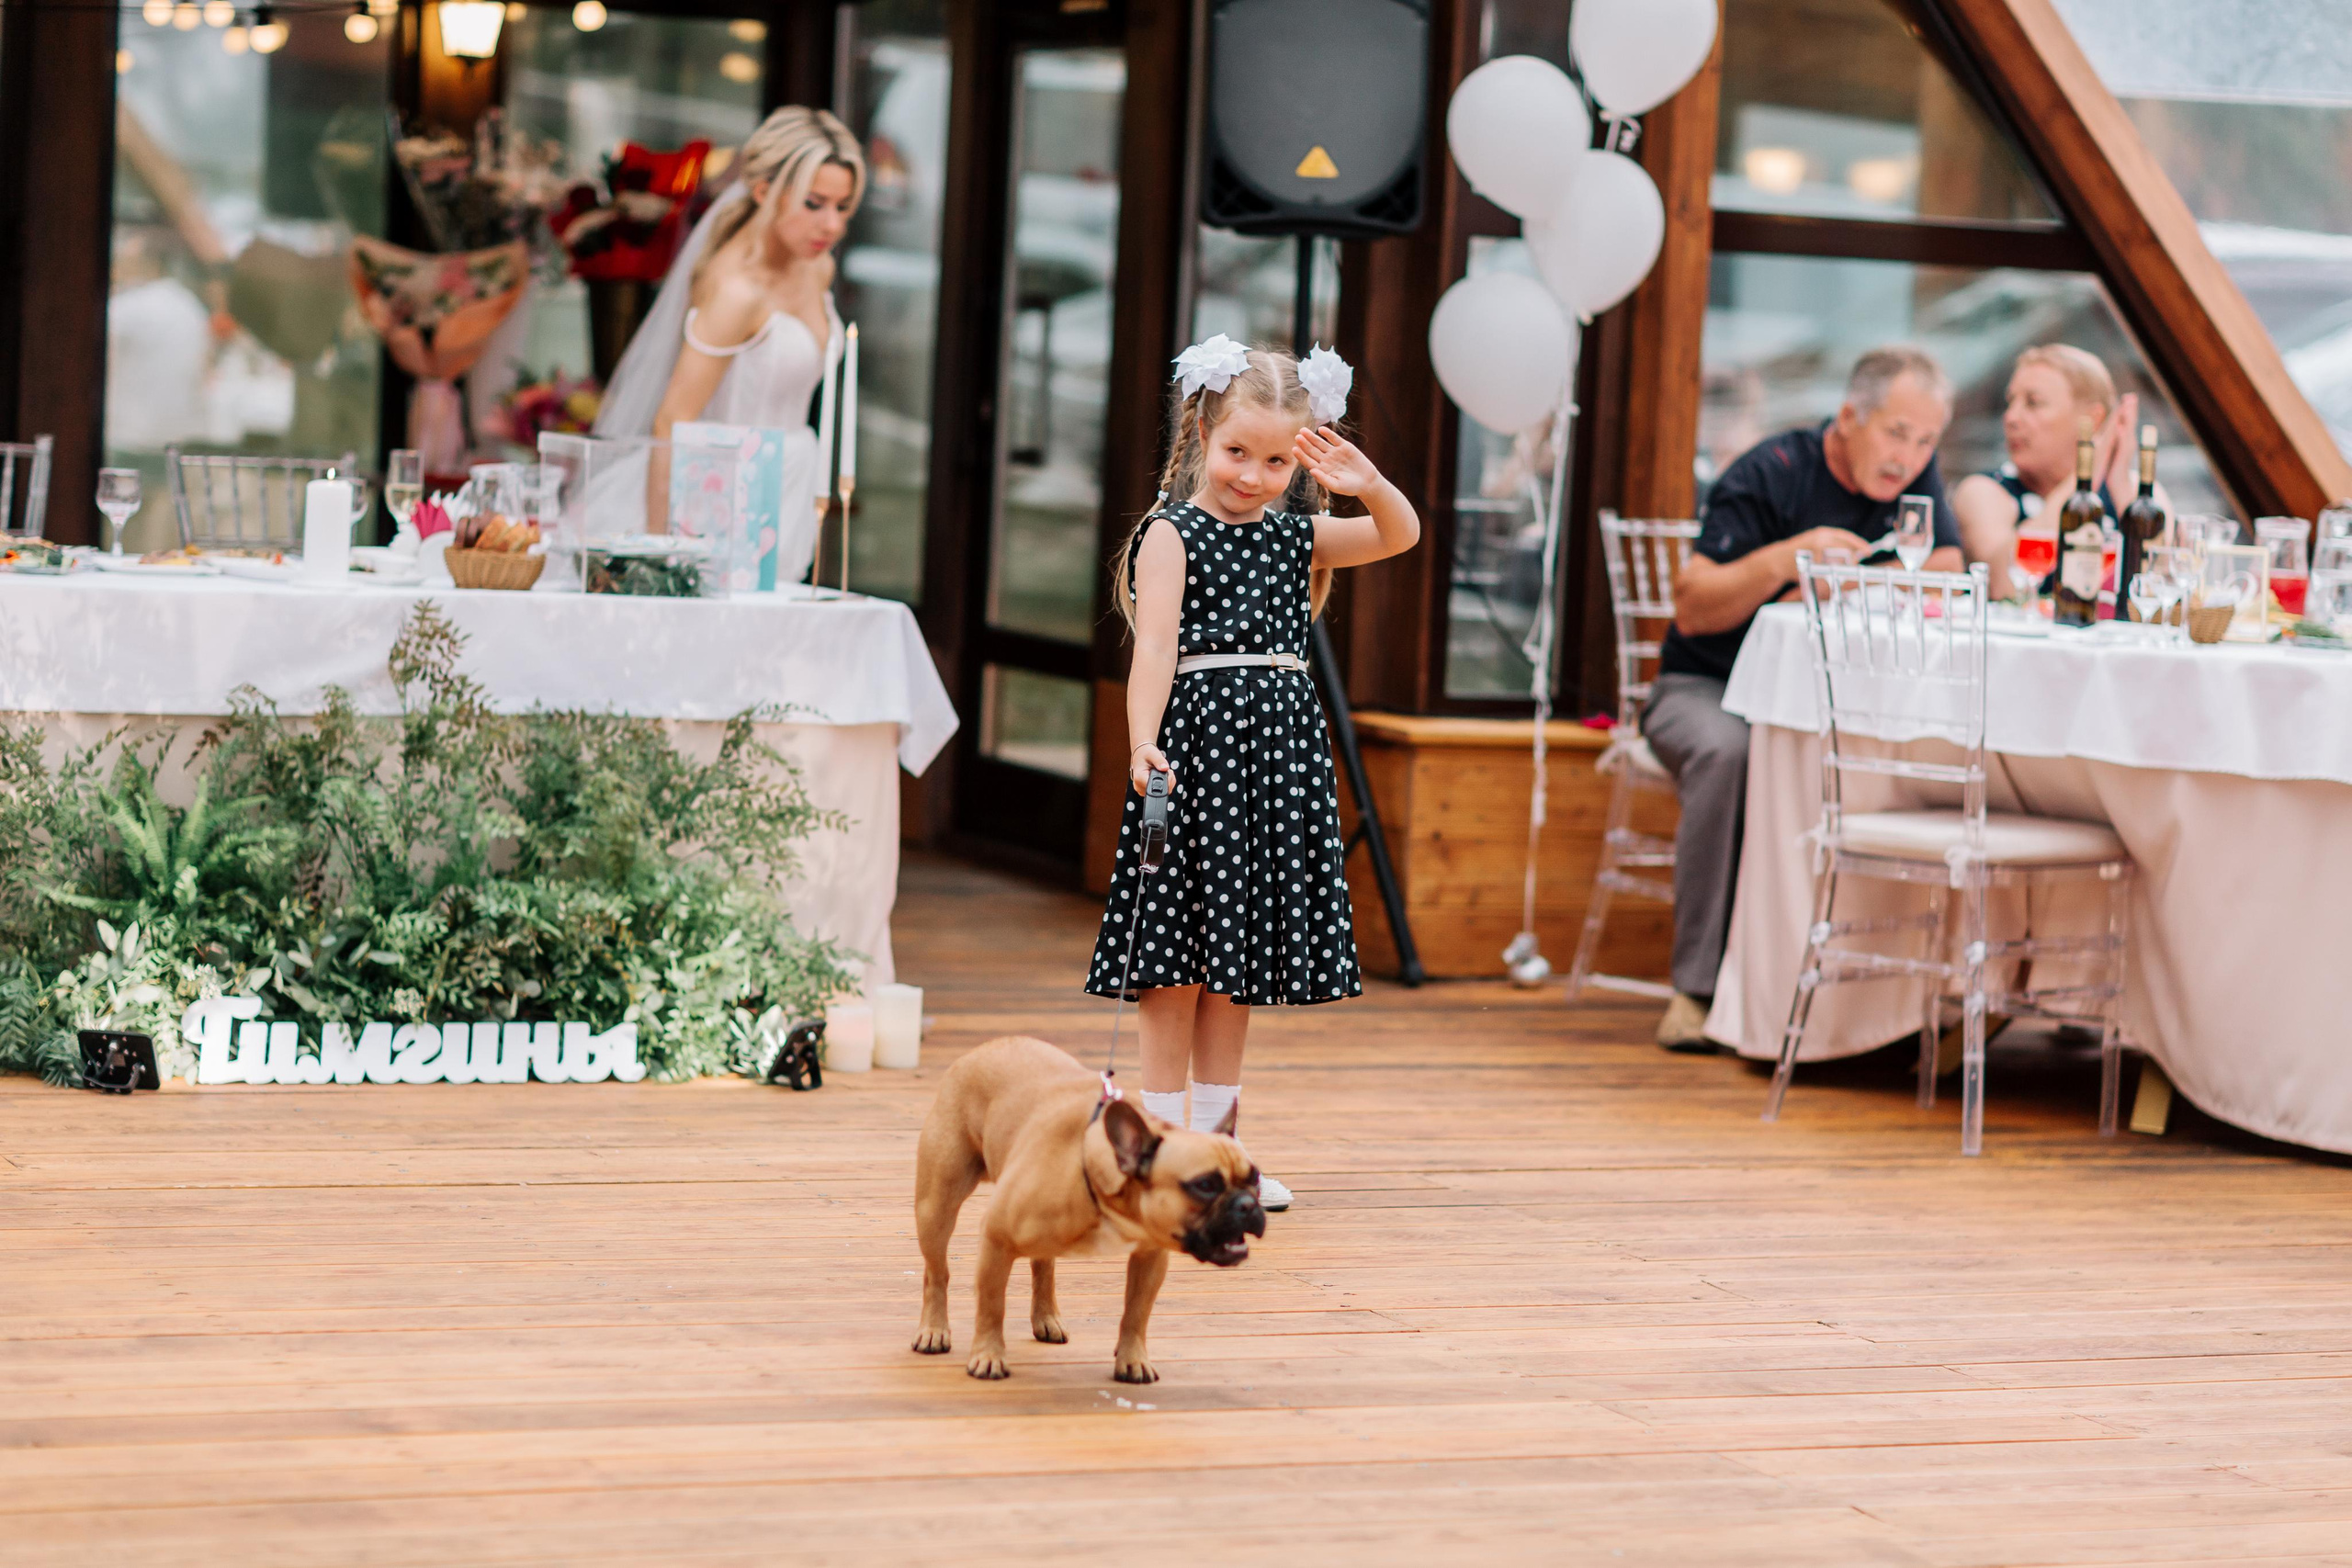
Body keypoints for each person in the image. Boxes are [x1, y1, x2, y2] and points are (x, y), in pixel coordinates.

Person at [1086, 335, 1420, 1213]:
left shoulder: (1297, 536)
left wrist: (1365, 482)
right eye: (1239, 452)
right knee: (1175, 962)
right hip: (1196, 756)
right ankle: (1152, 1151)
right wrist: (1140, 742)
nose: (1254, 475)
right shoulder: (1173, 531)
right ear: (1202, 432)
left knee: (1233, 966)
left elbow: (1401, 534)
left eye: (1278, 460)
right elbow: (1155, 644)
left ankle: (1219, 1155)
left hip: (1274, 763)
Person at [1646, 345, 1964, 1052]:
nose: (1907, 457)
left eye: (1925, 441)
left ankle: (1883, 994)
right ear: (1850, 415)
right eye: (1894, 434)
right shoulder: (1771, 471)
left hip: (1837, 699)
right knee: (1732, 754)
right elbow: (1694, 605)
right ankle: (1697, 989)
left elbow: (1947, 561)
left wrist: (1855, 582)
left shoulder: (1913, 477)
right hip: (1708, 687)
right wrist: (1789, 558)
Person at [587, 107, 865, 583]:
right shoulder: (738, 291)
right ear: (764, 193)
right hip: (717, 497)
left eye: (842, 207)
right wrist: (662, 554)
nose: (832, 226)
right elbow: (673, 420)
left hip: (793, 483)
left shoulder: (816, 268)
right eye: (815, 204)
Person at [1952, 344, 2145, 599]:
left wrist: (2120, 484)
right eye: (2011, 402)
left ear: (2092, 420)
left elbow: (2165, 591)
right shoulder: (1984, 491)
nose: (2011, 417)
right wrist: (2084, 478)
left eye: (2033, 403)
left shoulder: (2132, 492)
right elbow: (2006, 585)